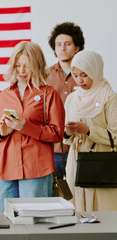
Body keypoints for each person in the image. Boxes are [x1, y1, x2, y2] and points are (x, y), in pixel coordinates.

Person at [0, 41, 65, 213]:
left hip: (36, 169)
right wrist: (2, 132)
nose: (21, 71)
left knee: (33, 224)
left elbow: (58, 134)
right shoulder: (4, 95)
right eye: (17, 65)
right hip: (5, 169)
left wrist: (25, 126)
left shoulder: (48, 94)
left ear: (37, 66)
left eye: (27, 66)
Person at [64, 50, 117, 211]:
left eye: (84, 75)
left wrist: (88, 131)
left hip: (101, 164)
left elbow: (115, 136)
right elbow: (65, 138)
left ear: (95, 70)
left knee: (103, 213)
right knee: (78, 211)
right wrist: (68, 133)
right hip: (76, 163)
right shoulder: (72, 99)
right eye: (75, 75)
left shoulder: (109, 97)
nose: (79, 80)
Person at [47, 22, 85, 179]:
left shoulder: (87, 75)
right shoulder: (44, 76)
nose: (62, 48)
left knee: (77, 196)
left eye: (67, 44)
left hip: (79, 146)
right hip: (52, 148)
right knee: (51, 196)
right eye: (58, 44)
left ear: (77, 47)